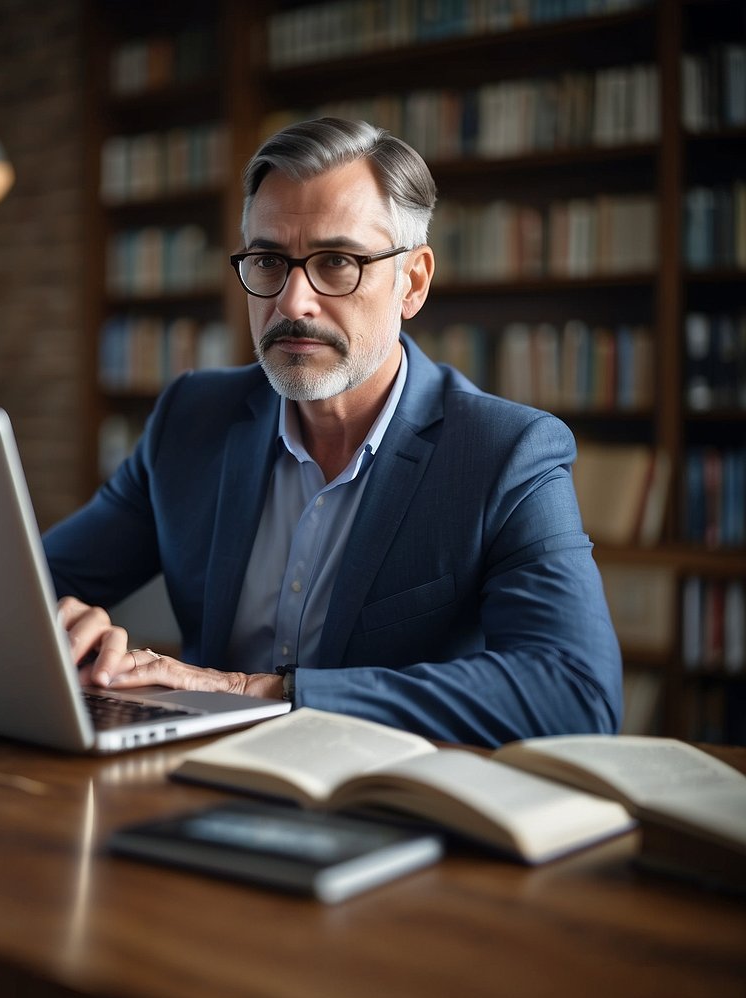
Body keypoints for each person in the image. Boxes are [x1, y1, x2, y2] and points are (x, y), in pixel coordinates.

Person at [42, 116, 622, 747]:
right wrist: (63, 621)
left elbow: (576, 693)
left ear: (413, 282)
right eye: (268, 261)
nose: (293, 303)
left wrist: (258, 693)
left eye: (338, 261)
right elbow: (31, 581)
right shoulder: (191, 418)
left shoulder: (505, 453)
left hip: (386, 805)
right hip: (190, 780)